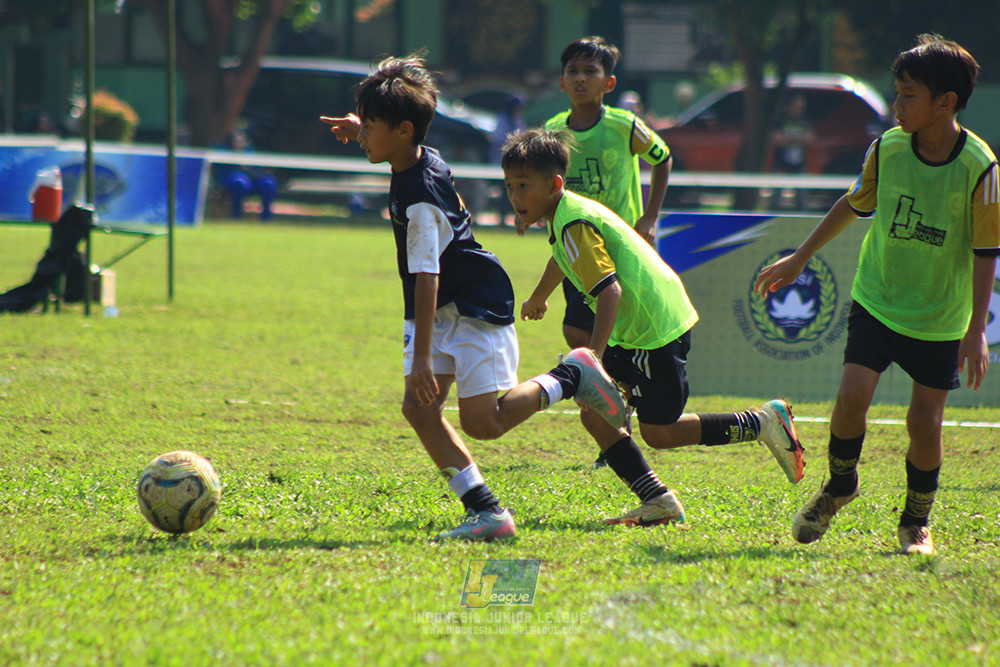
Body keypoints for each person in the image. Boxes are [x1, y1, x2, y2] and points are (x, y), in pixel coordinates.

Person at [320, 54, 635, 541]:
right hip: (444, 304)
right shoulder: (415, 152)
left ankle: (572, 376)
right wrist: (361, 124)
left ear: (402, 130)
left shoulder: (420, 197)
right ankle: (487, 511)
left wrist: (422, 356)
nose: (363, 137)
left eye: (371, 127)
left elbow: (428, 277)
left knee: (484, 423)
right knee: (419, 409)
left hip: (472, 307)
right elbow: (402, 134)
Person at [755, 35, 999, 556]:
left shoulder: (980, 167)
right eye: (897, 93)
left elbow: (986, 253)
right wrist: (799, 256)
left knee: (924, 423)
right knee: (850, 398)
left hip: (938, 317)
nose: (897, 105)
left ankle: (916, 522)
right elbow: (854, 203)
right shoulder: (887, 148)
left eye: (908, 95)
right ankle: (840, 486)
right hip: (878, 299)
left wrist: (976, 329)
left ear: (946, 102)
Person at [503, 128, 806, 526]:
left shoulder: (573, 221)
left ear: (554, 184)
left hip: (652, 328)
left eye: (523, 186)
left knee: (659, 431)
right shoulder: (566, 217)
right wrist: (540, 295)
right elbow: (564, 258)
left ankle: (763, 423)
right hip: (634, 330)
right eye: (509, 186)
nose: (514, 196)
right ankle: (658, 500)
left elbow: (608, 293)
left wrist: (592, 359)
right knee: (596, 414)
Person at [543, 36, 672, 350]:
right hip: (573, 245)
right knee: (582, 331)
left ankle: (604, 387)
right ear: (562, 82)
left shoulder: (625, 125)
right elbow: (544, 180)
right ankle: (604, 390)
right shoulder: (554, 130)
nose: (580, 78)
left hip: (618, 244)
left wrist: (651, 216)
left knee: (591, 329)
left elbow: (663, 157)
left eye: (590, 71)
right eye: (573, 71)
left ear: (609, 83)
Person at [769, 93, 814, 210]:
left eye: (801, 107)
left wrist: (789, 138)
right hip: (780, 165)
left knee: (801, 198)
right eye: (797, 106)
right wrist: (798, 138)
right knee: (775, 198)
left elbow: (810, 138)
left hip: (799, 165)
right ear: (789, 106)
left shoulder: (804, 121)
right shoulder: (780, 121)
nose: (799, 109)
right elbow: (776, 139)